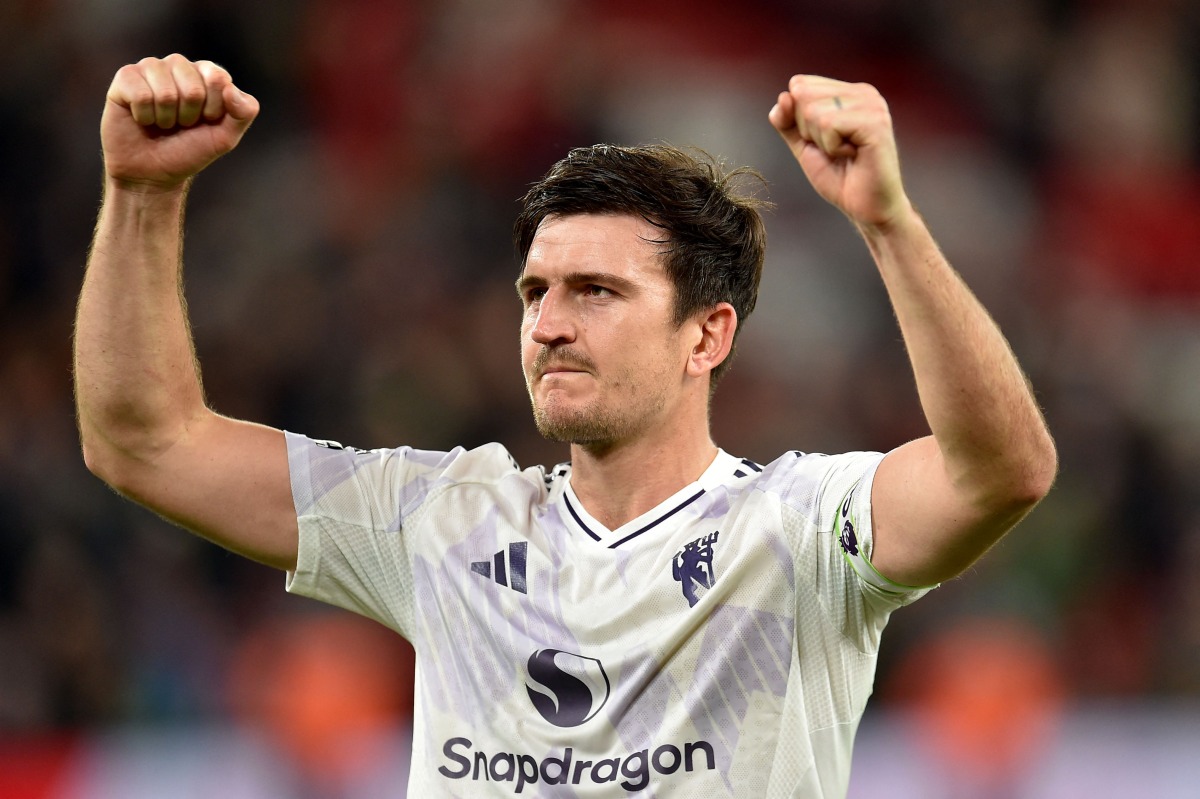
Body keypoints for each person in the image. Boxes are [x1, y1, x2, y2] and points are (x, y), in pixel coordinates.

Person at [74, 54, 1057, 797]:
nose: (547, 323)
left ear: (706, 335)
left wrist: (887, 221)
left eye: (595, 291)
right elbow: (144, 440)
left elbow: (999, 471)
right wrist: (140, 196)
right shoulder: (441, 520)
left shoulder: (802, 526)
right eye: (535, 291)